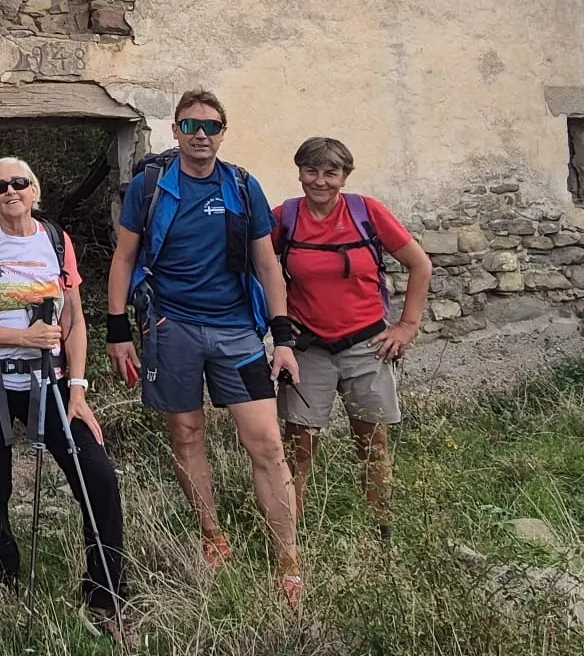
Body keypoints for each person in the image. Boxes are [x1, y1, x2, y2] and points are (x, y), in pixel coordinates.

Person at [104, 90, 307, 606]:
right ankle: (213, 535)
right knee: (187, 434)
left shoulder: (241, 185)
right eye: (190, 125)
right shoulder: (150, 186)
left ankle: (288, 561)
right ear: (175, 130)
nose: (200, 135)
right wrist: (117, 329)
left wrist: (282, 338)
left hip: (237, 330)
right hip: (171, 327)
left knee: (267, 443)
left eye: (211, 127)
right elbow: (124, 257)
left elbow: (267, 264)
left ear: (222, 133)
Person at [0, 156, 127, 629]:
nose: (11, 190)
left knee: (98, 478)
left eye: (19, 182)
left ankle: (106, 594)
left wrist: (78, 389)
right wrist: (22, 338)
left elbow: (74, 319)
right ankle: (0, 590)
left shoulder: (56, 240)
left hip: (48, 381)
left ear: (35, 191)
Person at [273, 136, 433, 534]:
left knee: (372, 444)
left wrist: (407, 326)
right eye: (311, 170)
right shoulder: (285, 218)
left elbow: (420, 265)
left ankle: (381, 533)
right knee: (298, 447)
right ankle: (291, 537)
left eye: (331, 172)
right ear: (299, 173)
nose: (320, 181)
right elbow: (252, 266)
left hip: (368, 346)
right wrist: (275, 319)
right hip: (308, 348)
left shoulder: (367, 212)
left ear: (345, 177)